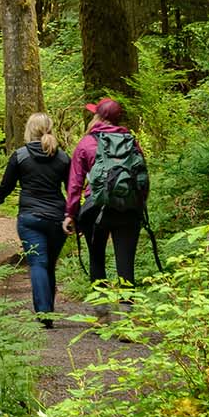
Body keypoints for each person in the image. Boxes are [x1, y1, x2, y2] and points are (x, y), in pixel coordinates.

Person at [0, 111, 70, 326]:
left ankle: (44, 314)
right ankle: (49, 312)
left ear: (29, 130)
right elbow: (72, 188)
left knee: (37, 263)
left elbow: (7, 184)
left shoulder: (20, 155)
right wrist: (73, 215)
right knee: (49, 264)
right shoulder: (62, 157)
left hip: (30, 217)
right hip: (57, 218)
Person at [64, 97, 151, 286]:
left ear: (99, 117)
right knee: (126, 268)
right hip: (128, 209)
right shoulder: (131, 142)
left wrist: (70, 214)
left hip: (96, 209)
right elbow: (142, 177)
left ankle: (101, 310)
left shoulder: (86, 143)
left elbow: (75, 183)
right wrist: (139, 204)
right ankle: (127, 308)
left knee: (97, 262)